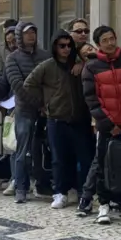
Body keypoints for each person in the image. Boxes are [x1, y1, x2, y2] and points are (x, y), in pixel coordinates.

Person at [22, 30, 92, 210]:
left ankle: (84, 192)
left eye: (69, 46)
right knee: (59, 158)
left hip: (79, 118)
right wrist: (43, 103)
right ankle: (60, 192)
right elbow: (29, 85)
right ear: (55, 46)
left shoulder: (78, 64)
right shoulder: (47, 66)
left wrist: (82, 62)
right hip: (56, 119)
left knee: (84, 157)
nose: (66, 49)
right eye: (62, 46)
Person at [81, 25, 121, 223]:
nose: (110, 43)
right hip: (107, 126)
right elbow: (91, 99)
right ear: (98, 44)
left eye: (112, 38)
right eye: (105, 40)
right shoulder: (91, 67)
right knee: (103, 166)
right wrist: (108, 123)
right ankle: (104, 205)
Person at [2, 21, 52, 204]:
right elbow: (17, 85)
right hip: (24, 109)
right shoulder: (12, 58)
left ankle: (43, 184)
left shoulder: (45, 55)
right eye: (27, 33)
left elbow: (50, 81)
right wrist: (36, 103)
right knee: (22, 150)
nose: (31, 36)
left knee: (43, 149)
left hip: (46, 109)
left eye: (33, 32)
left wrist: (45, 103)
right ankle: (21, 188)